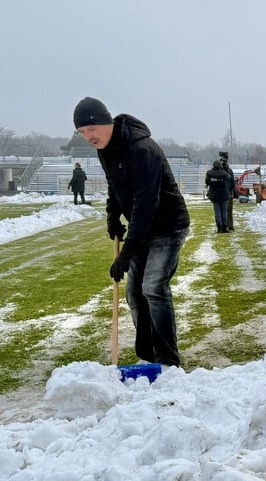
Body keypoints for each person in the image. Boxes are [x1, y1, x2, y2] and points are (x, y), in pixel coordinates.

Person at [73, 96, 191, 368]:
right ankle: (147, 356)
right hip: (142, 226)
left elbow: (146, 202)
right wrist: (112, 218)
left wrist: (126, 254)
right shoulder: (105, 149)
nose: (88, 137)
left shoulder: (142, 149)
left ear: (107, 122)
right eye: (82, 132)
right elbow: (115, 187)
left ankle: (167, 360)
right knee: (134, 294)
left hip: (167, 225)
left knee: (153, 287)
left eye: (91, 129)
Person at [205, 159, 232, 233]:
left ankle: (219, 228)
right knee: (224, 212)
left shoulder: (209, 173)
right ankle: (225, 227)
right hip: (224, 195)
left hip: (214, 195)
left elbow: (207, 182)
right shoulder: (224, 173)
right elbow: (229, 178)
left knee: (217, 212)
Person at [220, 154, 236, 231]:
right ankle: (224, 225)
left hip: (229, 192)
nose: (224, 162)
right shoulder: (219, 171)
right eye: (222, 161)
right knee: (223, 210)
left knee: (229, 210)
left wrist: (234, 192)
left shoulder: (230, 171)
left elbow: (233, 182)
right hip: (222, 192)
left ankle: (230, 225)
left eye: (225, 161)